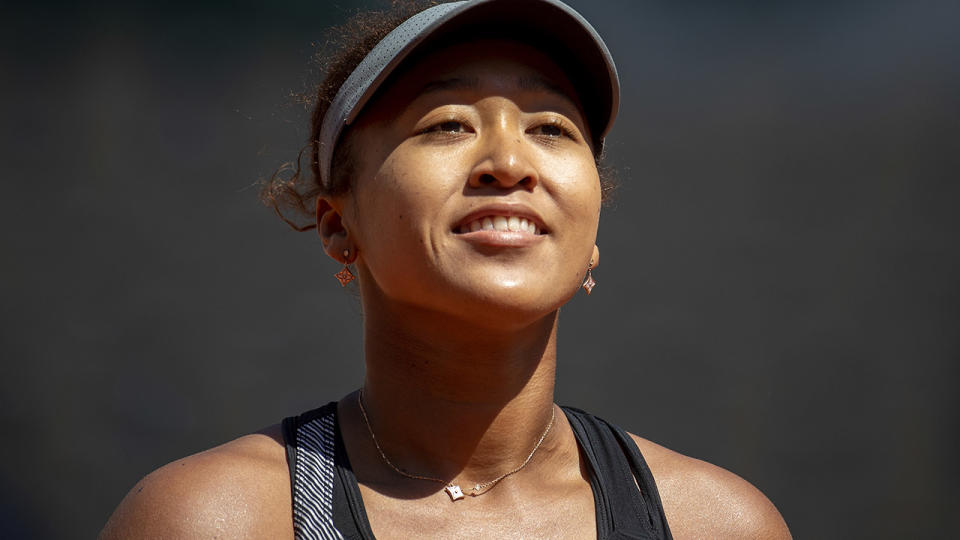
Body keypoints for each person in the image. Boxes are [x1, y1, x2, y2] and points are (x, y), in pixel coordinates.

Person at [101, 0, 791, 538]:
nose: (510, 163)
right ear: (340, 228)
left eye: (551, 127)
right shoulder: (214, 521)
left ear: (590, 242)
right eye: (448, 124)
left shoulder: (715, 525)